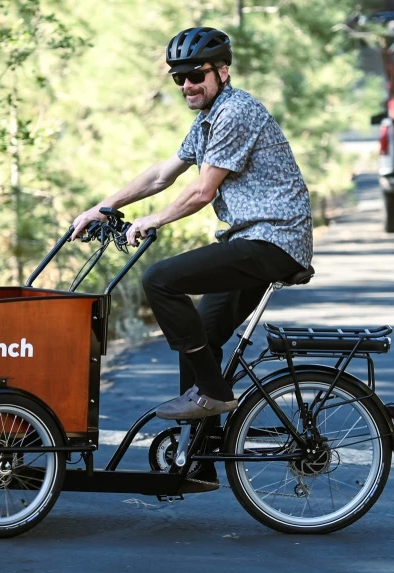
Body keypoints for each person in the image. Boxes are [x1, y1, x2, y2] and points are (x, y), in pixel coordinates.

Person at [71, 26, 313, 420]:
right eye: (179, 78)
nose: (187, 85)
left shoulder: (236, 112)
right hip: (252, 241)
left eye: (196, 75)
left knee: (160, 279)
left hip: (272, 240)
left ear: (223, 72)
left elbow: (202, 192)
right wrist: (104, 206)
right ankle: (197, 458)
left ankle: (214, 393)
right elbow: (162, 175)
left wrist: (154, 220)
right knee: (199, 335)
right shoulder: (207, 120)